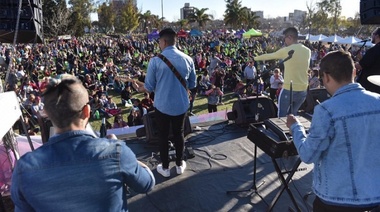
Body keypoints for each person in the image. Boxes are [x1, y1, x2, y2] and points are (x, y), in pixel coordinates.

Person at [11, 75, 155, 211]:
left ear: (46, 114)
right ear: (87, 111)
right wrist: (130, 159)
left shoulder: (24, 168)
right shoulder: (116, 152)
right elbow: (147, 183)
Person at [286, 50, 380, 212]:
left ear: (326, 77)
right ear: (354, 72)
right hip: (375, 195)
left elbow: (308, 155)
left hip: (336, 200)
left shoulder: (327, 110)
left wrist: (296, 128)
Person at [130, 28, 196, 178]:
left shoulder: (155, 61)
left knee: (163, 136)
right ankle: (179, 164)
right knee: (179, 134)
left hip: (162, 106)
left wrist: (141, 88)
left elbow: (149, 87)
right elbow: (192, 84)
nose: (158, 44)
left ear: (164, 41)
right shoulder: (188, 59)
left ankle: (165, 168)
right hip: (181, 105)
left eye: (159, 41)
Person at [255, 27, 311, 117]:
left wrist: (255, 58)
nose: (284, 41)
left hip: (289, 89)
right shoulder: (308, 51)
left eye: (284, 38)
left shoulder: (287, 50)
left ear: (290, 37)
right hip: (303, 90)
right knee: (293, 114)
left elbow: (270, 56)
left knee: (282, 116)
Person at [355, 27, 380, 94]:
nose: (371, 36)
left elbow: (360, 66)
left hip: (369, 86)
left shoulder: (373, 50)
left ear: (377, 36)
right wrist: (362, 59)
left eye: (373, 34)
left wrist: (352, 63)